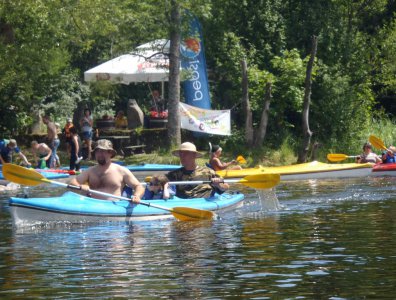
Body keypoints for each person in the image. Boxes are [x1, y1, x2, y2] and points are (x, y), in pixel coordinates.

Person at [69, 139, 144, 202]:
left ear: (110, 153)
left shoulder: (121, 171)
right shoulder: (90, 171)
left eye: (103, 151)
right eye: (98, 151)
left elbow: (138, 186)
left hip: (113, 209)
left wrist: (136, 196)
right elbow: (72, 182)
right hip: (93, 206)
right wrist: (80, 186)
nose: (100, 154)